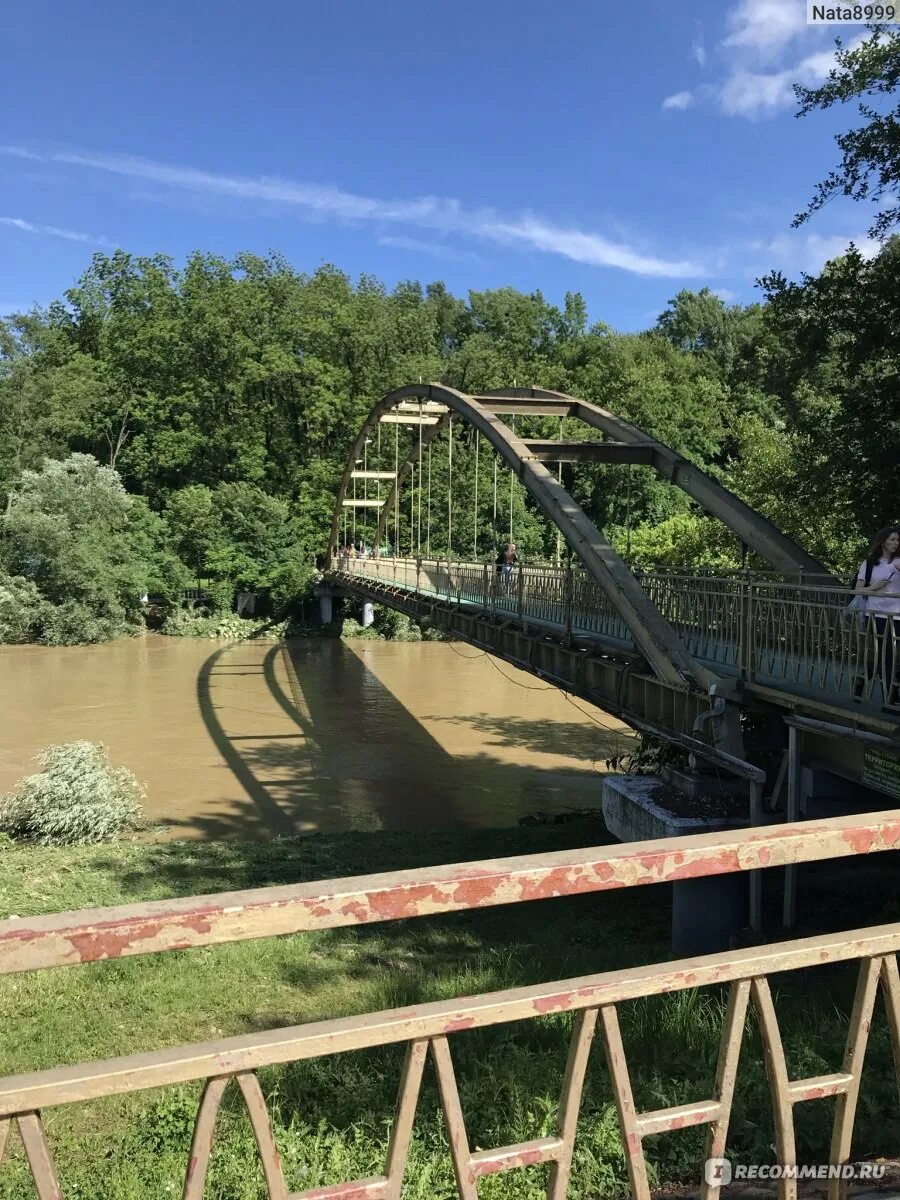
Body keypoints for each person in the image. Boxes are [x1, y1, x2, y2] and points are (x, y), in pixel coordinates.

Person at [855, 527, 900, 704]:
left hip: (897, 615)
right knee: (888, 655)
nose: (896, 543)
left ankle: (861, 679)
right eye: (892, 539)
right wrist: (874, 588)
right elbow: (858, 590)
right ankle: (890, 697)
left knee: (888, 655)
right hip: (876, 614)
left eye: (897, 540)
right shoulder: (869, 564)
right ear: (883, 542)